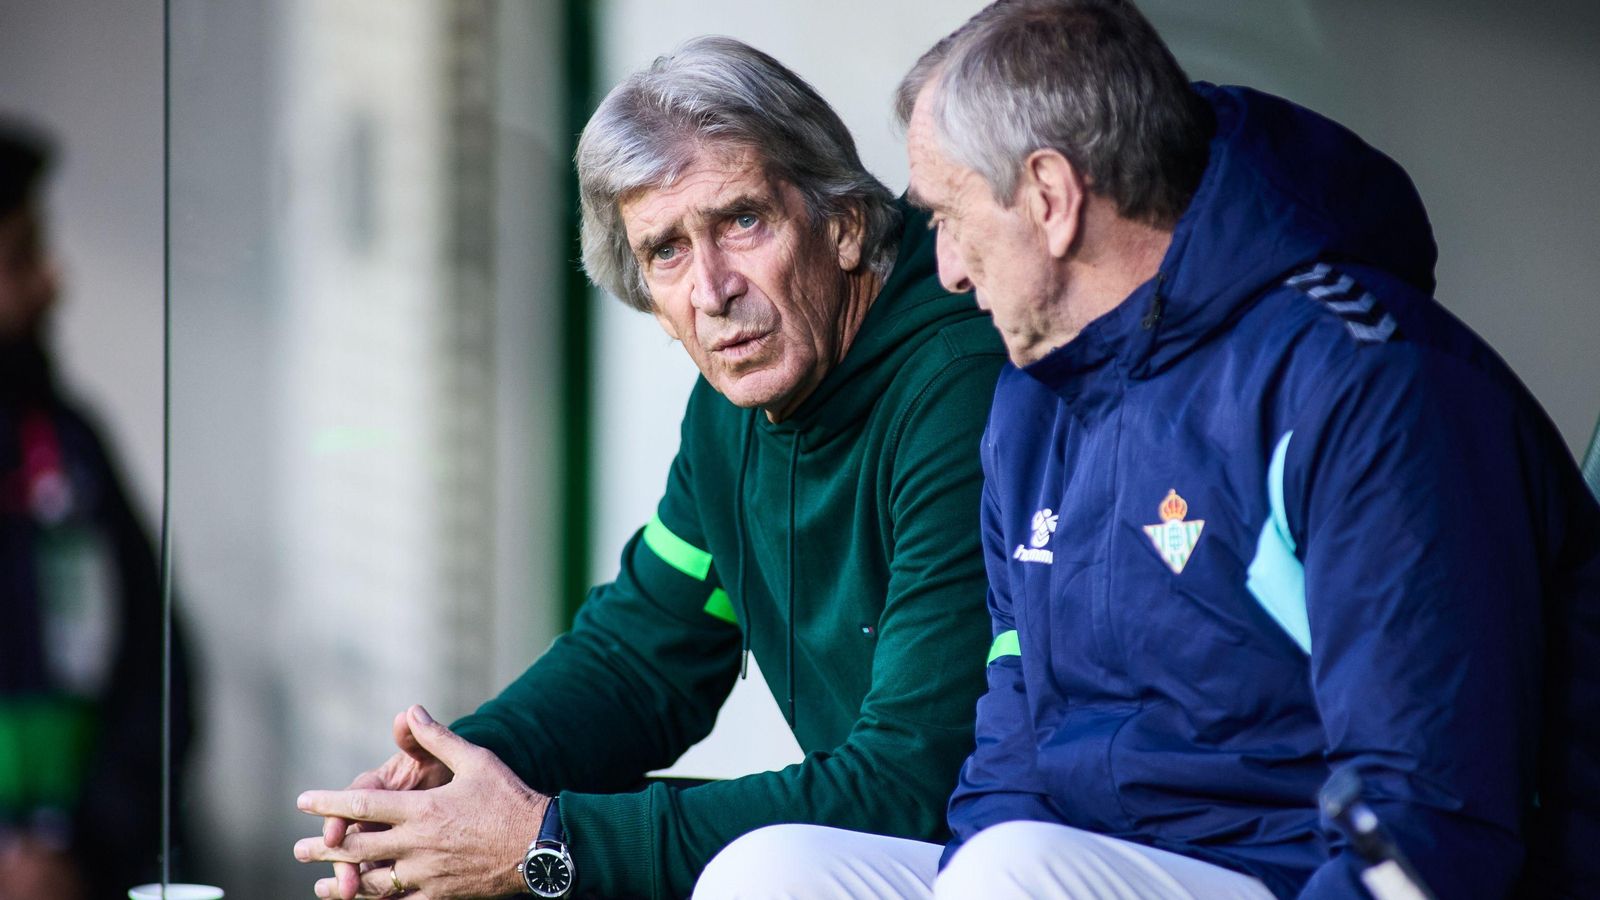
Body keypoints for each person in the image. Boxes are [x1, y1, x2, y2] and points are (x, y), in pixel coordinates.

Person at [699, 0, 1600, 896]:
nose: (949, 271)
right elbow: (1010, 754)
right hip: (1079, 868)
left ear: (1050, 199)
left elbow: (1426, 819)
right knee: (771, 871)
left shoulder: (1366, 386)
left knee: (1012, 874)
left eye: (951, 218)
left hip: (1309, 876)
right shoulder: (1029, 402)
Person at [291, 37, 1005, 900]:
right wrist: (463, 779)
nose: (712, 289)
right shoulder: (733, 406)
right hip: (896, 832)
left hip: (995, 849)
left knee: (724, 873)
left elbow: (913, 782)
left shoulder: (959, 386)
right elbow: (642, 659)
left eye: (742, 221)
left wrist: (545, 841)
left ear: (844, 226)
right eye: (666, 250)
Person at [0, 121, 196, 899]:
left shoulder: (69, 446)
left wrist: (79, 850)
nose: (54, 280)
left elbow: (160, 674)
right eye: (20, 259)